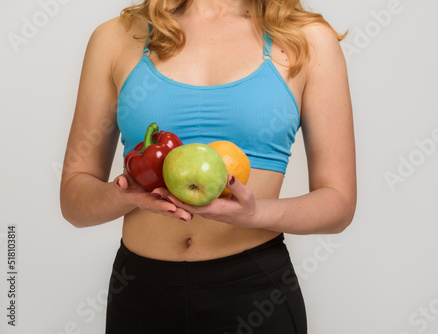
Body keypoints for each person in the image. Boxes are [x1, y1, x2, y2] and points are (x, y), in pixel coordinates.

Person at [60, 0, 356, 333]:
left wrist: (254, 214)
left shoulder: (307, 40)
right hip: (141, 293)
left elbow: (338, 203)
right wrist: (127, 195)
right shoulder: (116, 38)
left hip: (255, 290)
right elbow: (74, 199)